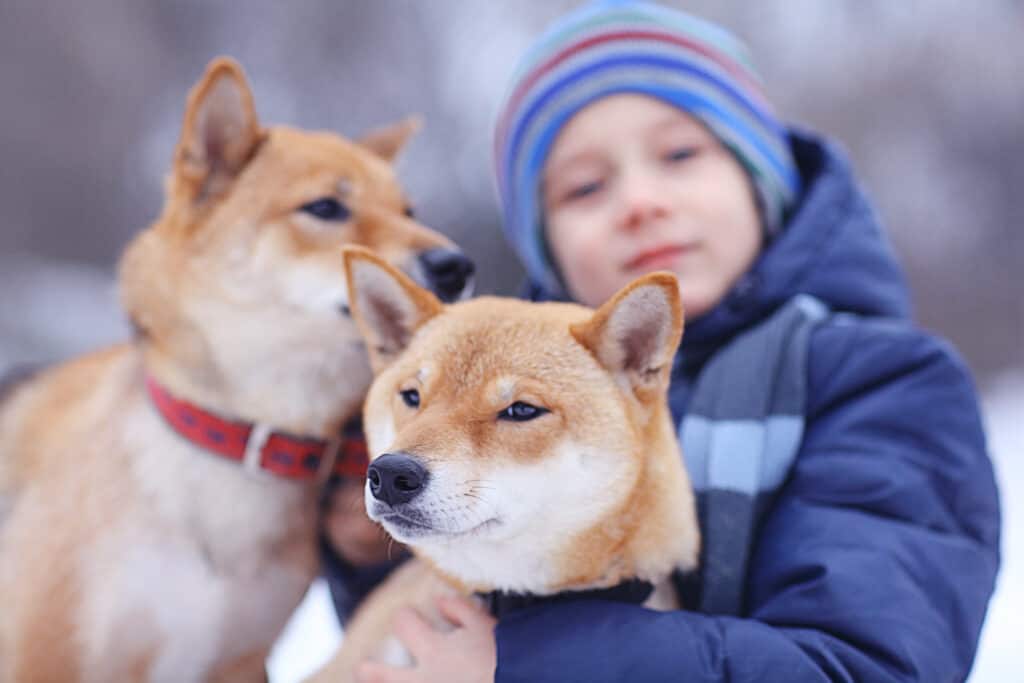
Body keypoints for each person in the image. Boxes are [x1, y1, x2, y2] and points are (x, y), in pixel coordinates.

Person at [321, 1, 1001, 680]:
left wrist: (526, 663)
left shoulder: (886, 385)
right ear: (545, 242)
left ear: (759, 176)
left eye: (680, 154)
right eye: (586, 187)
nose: (640, 200)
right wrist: (371, 551)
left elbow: (867, 664)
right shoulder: (500, 361)